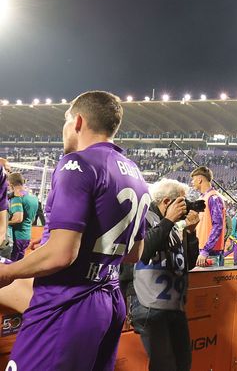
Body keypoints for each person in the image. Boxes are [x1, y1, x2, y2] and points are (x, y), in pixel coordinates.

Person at [0, 90, 150, 370]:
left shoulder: (77, 163)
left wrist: (8, 272)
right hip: (110, 299)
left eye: (65, 121)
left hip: (68, 301)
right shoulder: (134, 171)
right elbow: (134, 253)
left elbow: (62, 254)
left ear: (78, 121)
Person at [128, 178, 199, 371]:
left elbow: (187, 263)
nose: (185, 209)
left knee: (183, 364)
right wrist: (168, 221)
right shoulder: (143, 218)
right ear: (167, 202)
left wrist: (191, 234)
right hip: (149, 305)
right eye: (181, 203)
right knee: (164, 366)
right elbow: (142, 251)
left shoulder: (173, 227)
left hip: (174, 306)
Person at [190, 166, 226, 267]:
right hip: (203, 250)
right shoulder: (204, 197)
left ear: (200, 179)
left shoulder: (213, 198)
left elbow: (218, 225)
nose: (192, 182)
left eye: (193, 179)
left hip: (210, 253)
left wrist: (205, 251)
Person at [7, 173, 39, 261]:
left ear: (11, 185)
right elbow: (32, 219)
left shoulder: (17, 198)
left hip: (16, 237)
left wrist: (4, 223)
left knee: (9, 267)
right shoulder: (33, 198)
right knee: (18, 266)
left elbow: (18, 219)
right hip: (26, 236)